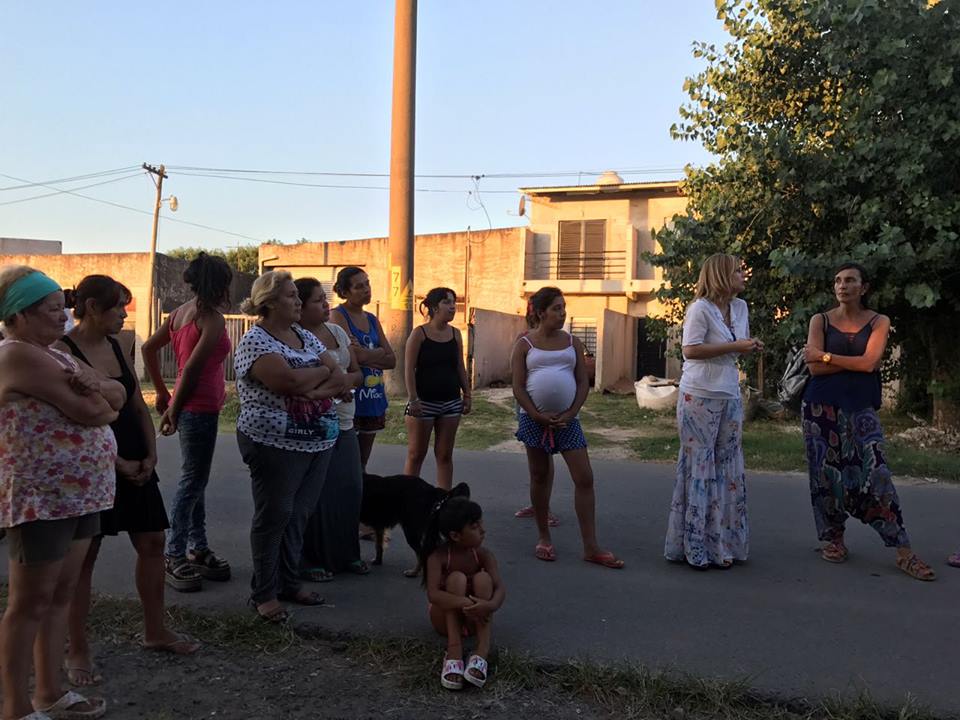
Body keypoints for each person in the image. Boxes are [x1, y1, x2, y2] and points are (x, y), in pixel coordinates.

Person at [59, 275, 200, 687]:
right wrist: (115, 461)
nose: (124, 313)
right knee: (84, 556)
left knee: (153, 541)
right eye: (118, 306)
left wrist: (151, 453)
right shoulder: (61, 352)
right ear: (89, 307)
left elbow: (135, 404)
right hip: (94, 463)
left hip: (136, 458)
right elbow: (71, 417)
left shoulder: (120, 345)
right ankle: (77, 649)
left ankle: (155, 631)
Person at [0, 266, 120, 720]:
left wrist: (104, 393)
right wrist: (103, 399)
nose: (63, 315)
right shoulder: (18, 354)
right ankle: (14, 707)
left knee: (60, 594)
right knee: (29, 602)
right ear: (21, 314)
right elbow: (92, 410)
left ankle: (49, 693)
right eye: (52, 309)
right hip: (41, 496)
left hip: (80, 494)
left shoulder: (57, 355)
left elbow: (119, 394)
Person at [802, 262, 935, 581]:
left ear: (864, 287)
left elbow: (871, 362)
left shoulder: (879, 321)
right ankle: (834, 539)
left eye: (850, 280)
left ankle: (903, 549)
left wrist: (828, 357)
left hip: (861, 409)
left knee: (877, 474)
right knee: (825, 477)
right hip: (821, 408)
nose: (842, 286)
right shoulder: (819, 320)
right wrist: (850, 364)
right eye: (837, 280)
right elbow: (813, 368)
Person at [235, 271, 347, 623]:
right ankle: (264, 593)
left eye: (298, 296)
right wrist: (314, 377)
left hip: (318, 439)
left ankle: (289, 581)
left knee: (298, 514)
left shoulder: (302, 335)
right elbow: (286, 382)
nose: (298, 301)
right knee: (274, 516)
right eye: (290, 296)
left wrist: (310, 387)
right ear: (268, 303)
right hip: (273, 443)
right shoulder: (255, 341)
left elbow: (339, 373)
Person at [511, 286, 622, 568]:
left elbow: (583, 382)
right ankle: (544, 537)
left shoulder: (573, 343)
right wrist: (535, 414)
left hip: (568, 421)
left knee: (584, 477)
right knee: (539, 475)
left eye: (563, 308)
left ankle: (590, 546)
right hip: (534, 420)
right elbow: (518, 386)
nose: (562, 314)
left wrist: (572, 412)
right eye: (556, 309)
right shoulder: (525, 344)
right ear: (540, 312)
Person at [142, 252, 234, 591]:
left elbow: (148, 349)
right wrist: (172, 407)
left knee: (196, 479)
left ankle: (198, 547)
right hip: (198, 406)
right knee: (192, 481)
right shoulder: (211, 319)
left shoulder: (180, 313)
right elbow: (193, 369)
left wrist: (165, 395)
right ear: (219, 284)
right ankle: (175, 552)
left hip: (192, 404)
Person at [664, 253, 760, 570]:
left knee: (727, 466)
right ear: (721, 275)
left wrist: (748, 346)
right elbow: (690, 350)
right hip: (699, 395)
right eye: (738, 271)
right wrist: (736, 347)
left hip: (729, 393)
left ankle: (723, 544)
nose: (743, 276)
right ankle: (695, 546)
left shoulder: (740, 307)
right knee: (700, 465)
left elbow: (737, 344)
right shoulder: (699, 309)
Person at [295, 278, 369, 580]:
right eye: (316, 301)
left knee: (350, 488)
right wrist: (336, 385)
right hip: (313, 425)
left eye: (324, 299)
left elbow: (357, 374)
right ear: (299, 307)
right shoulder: (294, 338)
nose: (325, 305)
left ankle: (347, 554)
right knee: (317, 496)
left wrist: (342, 384)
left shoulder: (337, 332)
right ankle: (311, 559)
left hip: (345, 422)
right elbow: (301, 381)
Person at [419, 496, 504, 691]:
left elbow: (499, 587)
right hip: (444, 621)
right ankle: (454, 649)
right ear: (455, 535)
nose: (483, 530)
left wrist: (490, 605)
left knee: (484, 579)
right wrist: (465, 602)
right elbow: (433, 595)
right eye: (474, 527)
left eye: (481, 523)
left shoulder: (483, 554)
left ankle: (482, 649)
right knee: (456, 578)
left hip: (475, 618)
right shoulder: (438, 557)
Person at [403, 287, 471, 490]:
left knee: (444, 455)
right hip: (423, 403)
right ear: (433, 307)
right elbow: (408, 368)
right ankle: (407, 498)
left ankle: (444, 498)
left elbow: (460, 365)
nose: (452, 307)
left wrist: (467, 394)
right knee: (416, 454)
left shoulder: (456, 334)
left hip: (451, 402)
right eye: (447, 302)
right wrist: (413, 398)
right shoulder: (419, 333)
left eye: (453, 302)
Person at [330, 267, 395, 469]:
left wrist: (365, 356)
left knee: (361, 464)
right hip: (350, 398)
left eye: (367, 283)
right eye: (359, 286)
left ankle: (358, 500)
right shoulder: (338, 316)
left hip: (373, 398)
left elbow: (392, 360)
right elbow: (353, 355)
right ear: (345, 292)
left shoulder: (372, 319)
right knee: (342, 464)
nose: (367, 289)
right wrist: (377, 353)